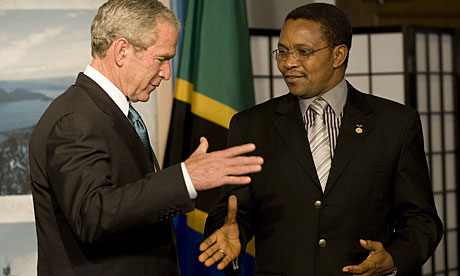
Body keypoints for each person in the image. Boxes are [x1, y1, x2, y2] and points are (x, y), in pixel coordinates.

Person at [200, 3, 443, 276]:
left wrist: (394, 259)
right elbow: (233, 212)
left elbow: (422, 220)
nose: (288, 63)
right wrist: (227, 232)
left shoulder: (395, 124)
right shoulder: (251, 125)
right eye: (282, 52)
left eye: (303, 52)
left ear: (338, 55)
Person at [28, 0, 263, 275]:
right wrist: (185, 178)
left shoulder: (111, 113)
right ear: (122, 50)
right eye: (161, 59)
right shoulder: (76, 119)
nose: (167, 73)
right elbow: (92, 215)